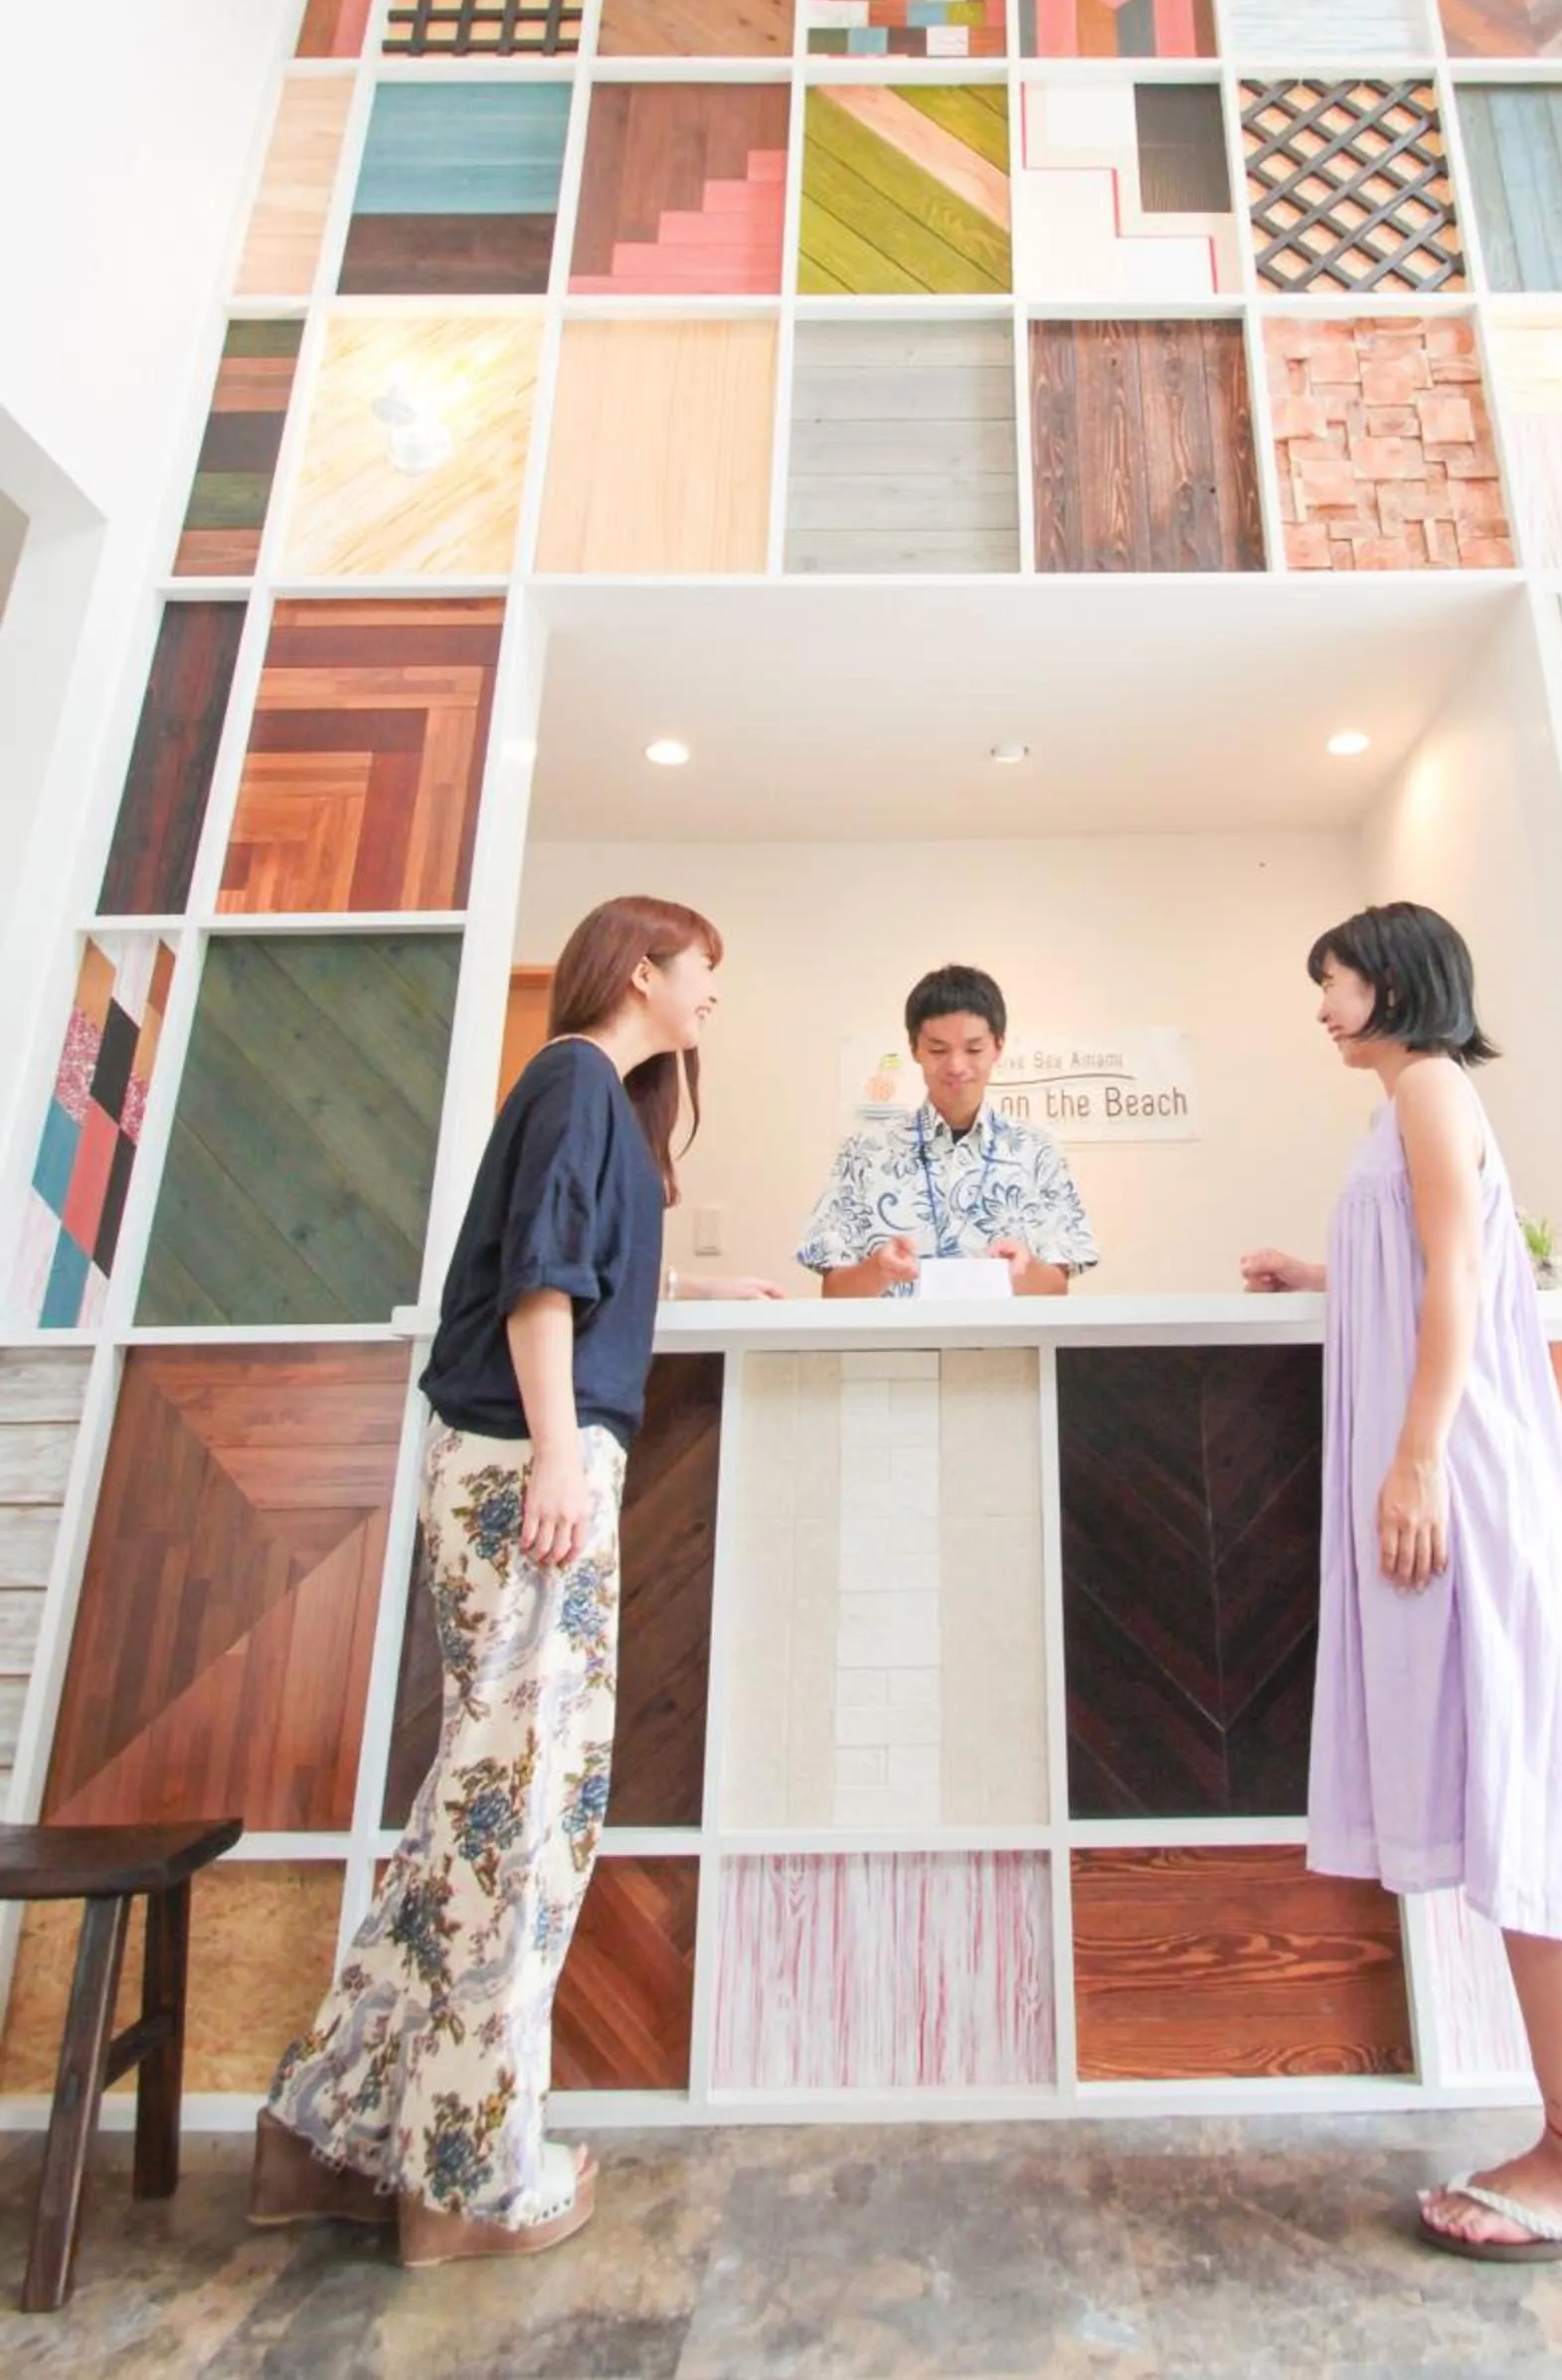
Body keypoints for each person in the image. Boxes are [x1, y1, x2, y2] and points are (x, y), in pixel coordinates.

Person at [249, 895, 780, 2267]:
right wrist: (556, 1457)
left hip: (510, 1459)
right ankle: (466, 2179)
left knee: (477, 1807)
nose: (715, 991)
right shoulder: (574, 1081)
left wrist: (707, 1294)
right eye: (704, 968)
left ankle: (326, 2130)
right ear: (646, 969)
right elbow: (541, 1288)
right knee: (524, 1814)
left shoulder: (598, 1099)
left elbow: (579, 1275)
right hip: (522, 1467)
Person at [1243, 902, 1562, 2265]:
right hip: (1472, 1477)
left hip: (1465, 1482)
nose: (1322, 1007)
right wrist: (1323, 1271)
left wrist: (1415, 1463)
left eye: (1335, 978)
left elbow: (1465, 1275)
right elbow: (1425, 1253)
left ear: (1397, 982)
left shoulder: (1425, 1083)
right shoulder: (1414, 1104)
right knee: (1528, 1796)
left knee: (1525, 1802)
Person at [799, 963, 1098, 1297]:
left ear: (998, 1045)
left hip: (1008, 1349)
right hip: (891, 1349)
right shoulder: (865, 1151)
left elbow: (1056, 1288)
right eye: (938, 1050)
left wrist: (1021, 1271)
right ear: (915, 1048)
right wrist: (877, 1270)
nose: (956, 1066)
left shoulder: (1038, 1151)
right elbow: (834, 1293)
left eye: (973, 1049)